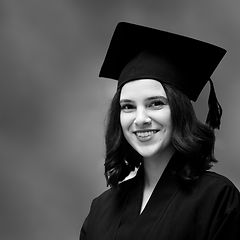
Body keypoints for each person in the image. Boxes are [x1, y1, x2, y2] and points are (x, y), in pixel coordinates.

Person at [80, 22, 240, 240]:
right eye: (128, 106)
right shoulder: (101, 209)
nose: (141, 119)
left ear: (179, 112)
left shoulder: (217, 198)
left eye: (155, 103)